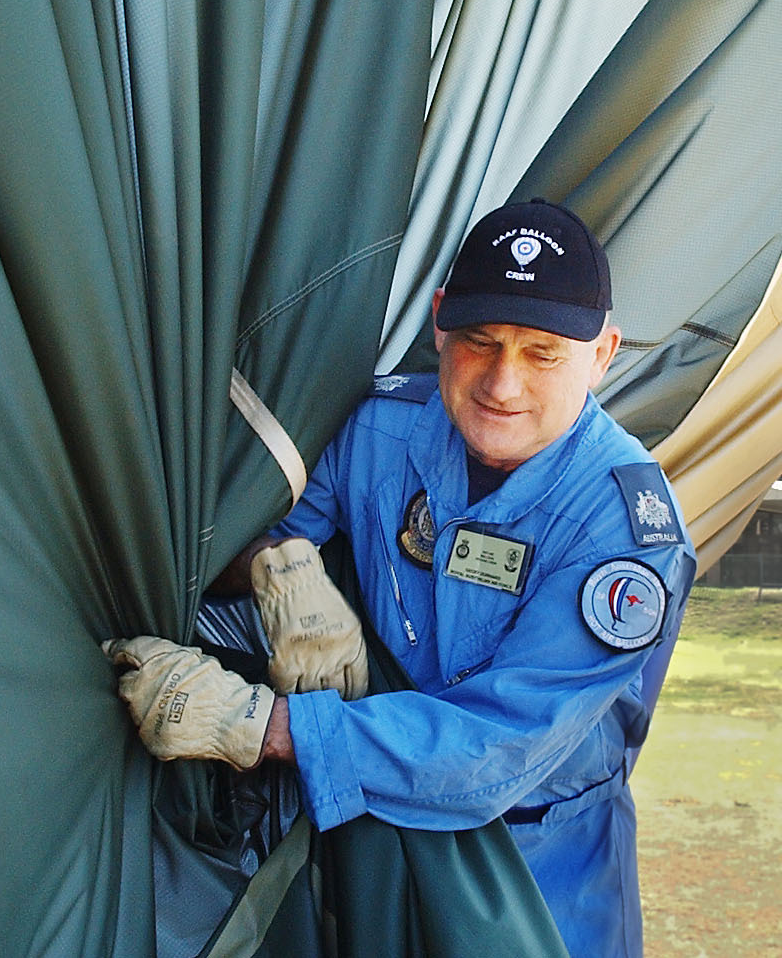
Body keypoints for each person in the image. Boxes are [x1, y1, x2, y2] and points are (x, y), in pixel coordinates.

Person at [107, 198, 695, 958]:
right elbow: (260, 539)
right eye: (480, 342)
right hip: (374, 836)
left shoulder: (623, 528)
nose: (502, 385)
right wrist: (278, 574)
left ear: (603, 354)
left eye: (543, 354)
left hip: (536, 865)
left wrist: (256, 725)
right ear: (440, 322)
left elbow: (499, 747)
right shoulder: (380, 428)